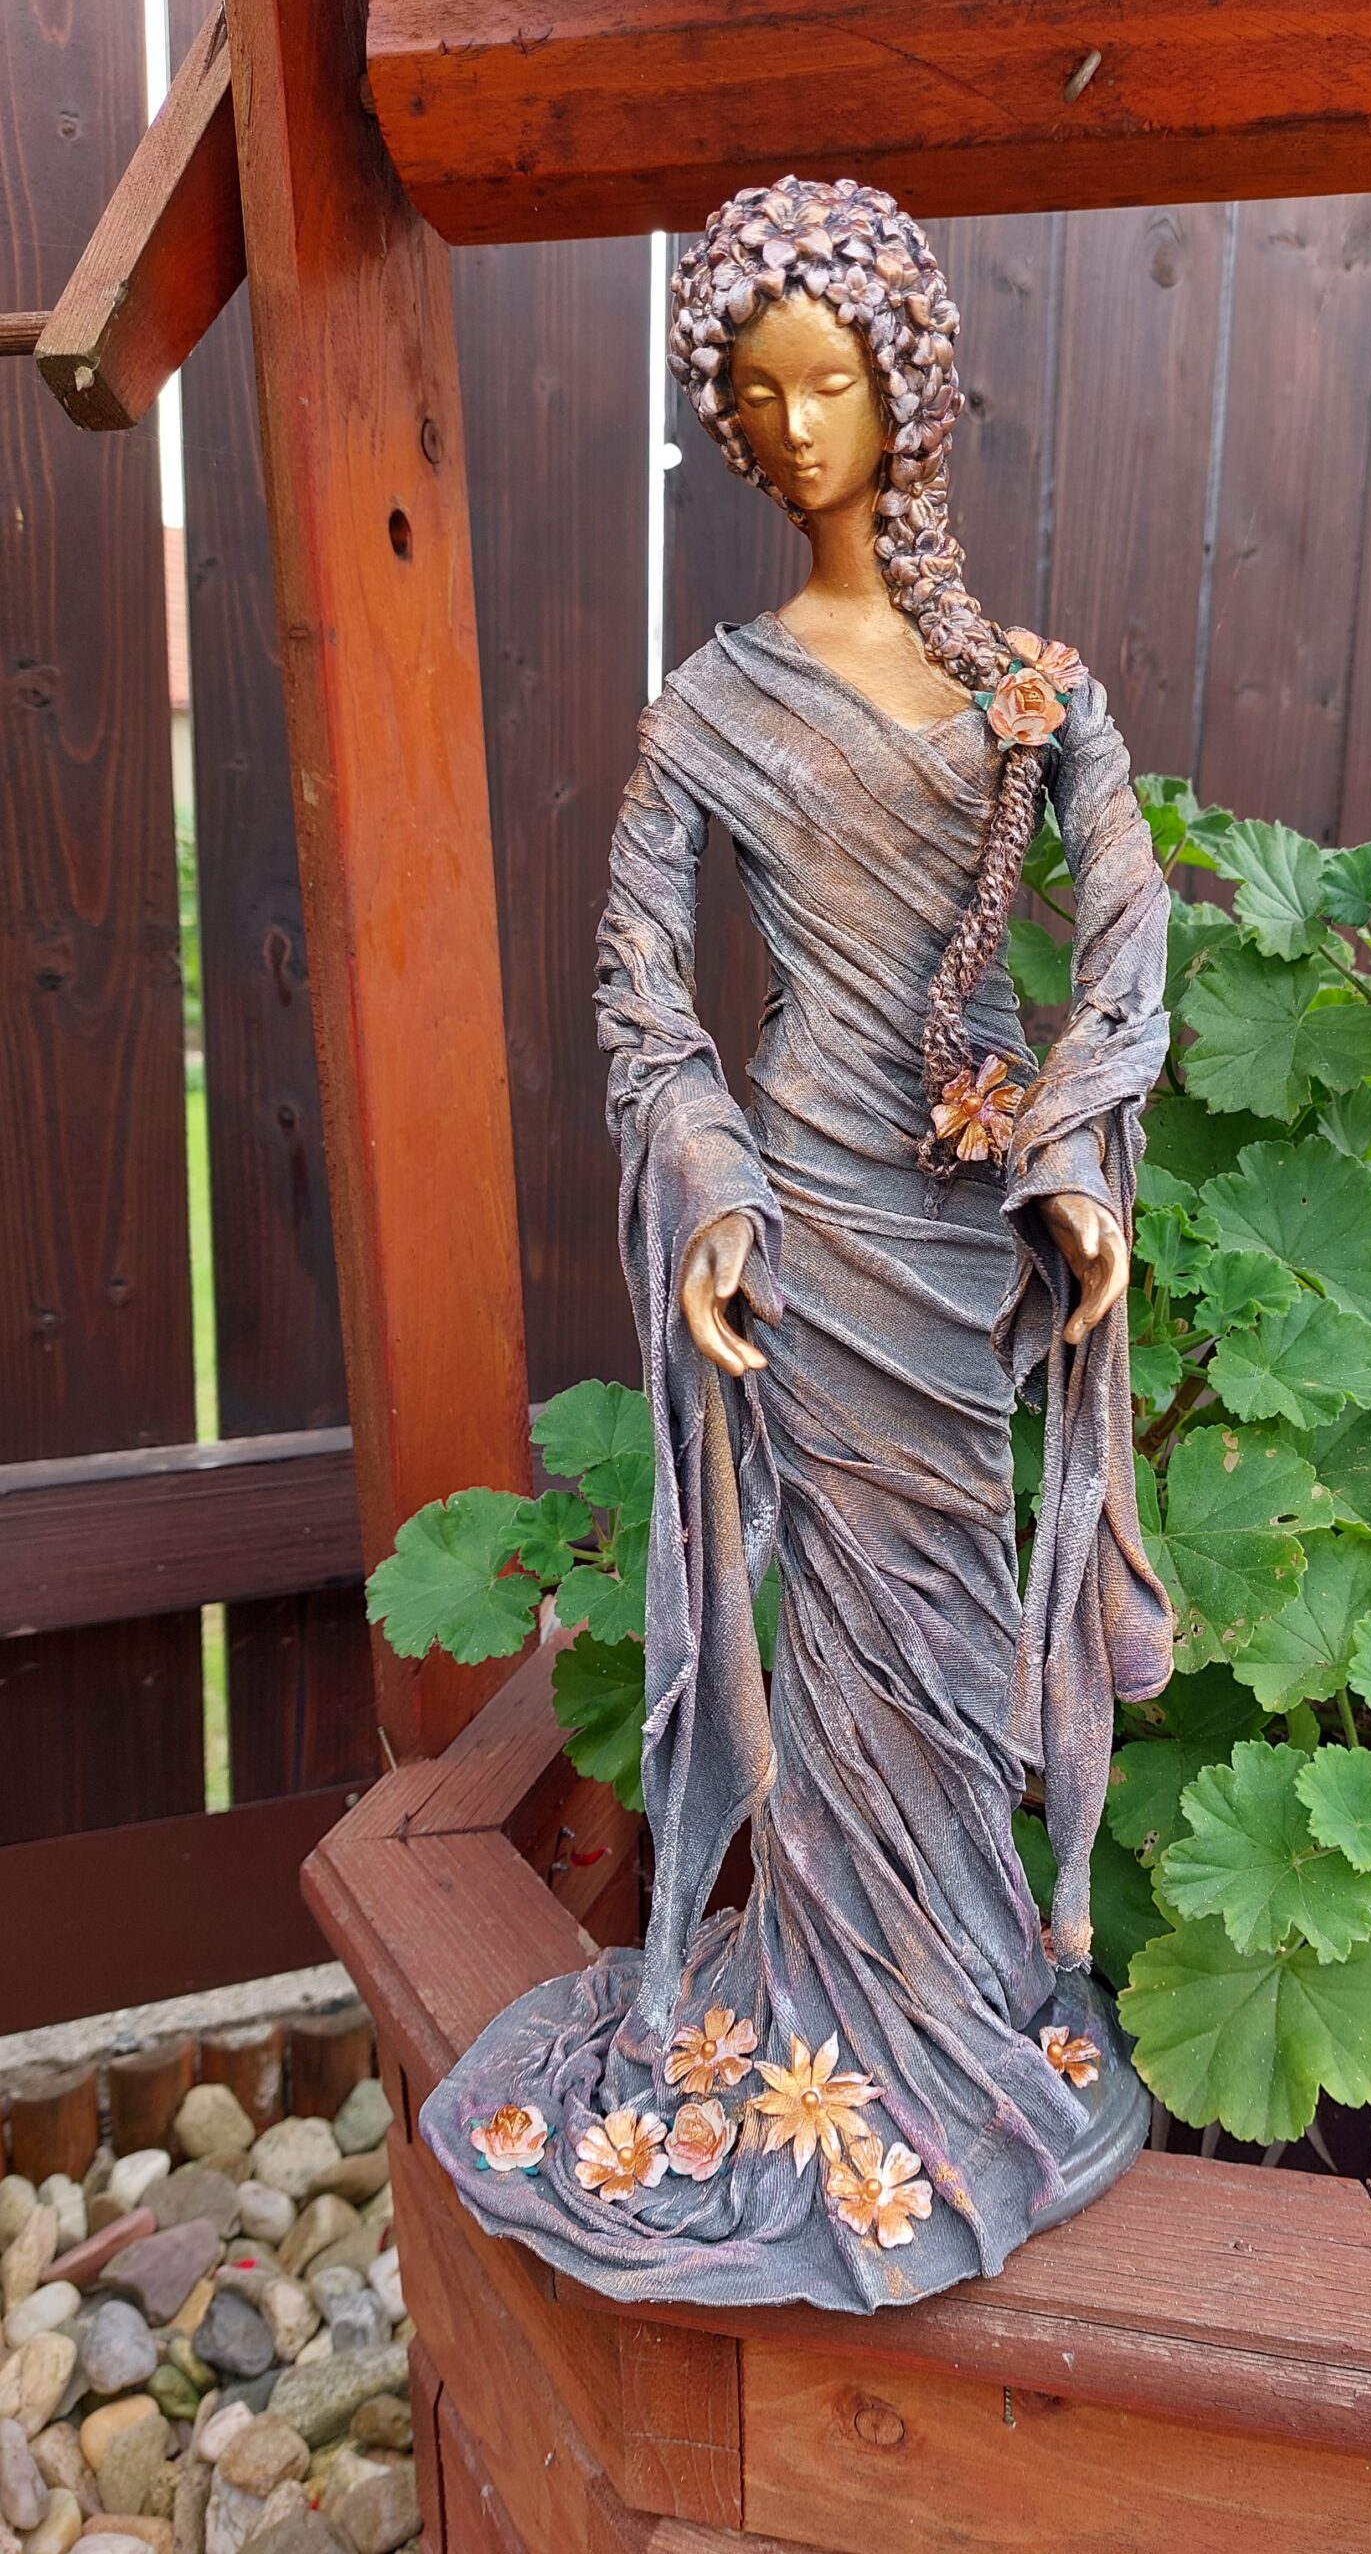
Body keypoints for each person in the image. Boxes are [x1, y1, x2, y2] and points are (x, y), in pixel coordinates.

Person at [422, 175, 1172, 2313]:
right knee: (836, 1624)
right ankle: (845, 2016)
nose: (797, 424)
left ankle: (952, 1995)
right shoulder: (715, 706)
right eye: (757, 394)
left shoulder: (1033, 693)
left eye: (829, 378)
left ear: (904, 387)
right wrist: (714, 1183)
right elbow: (638, 978)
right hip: (809, 1234)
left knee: (951, 1618)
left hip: (968, 1231)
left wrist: (1073, 1151)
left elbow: (1129, 915)